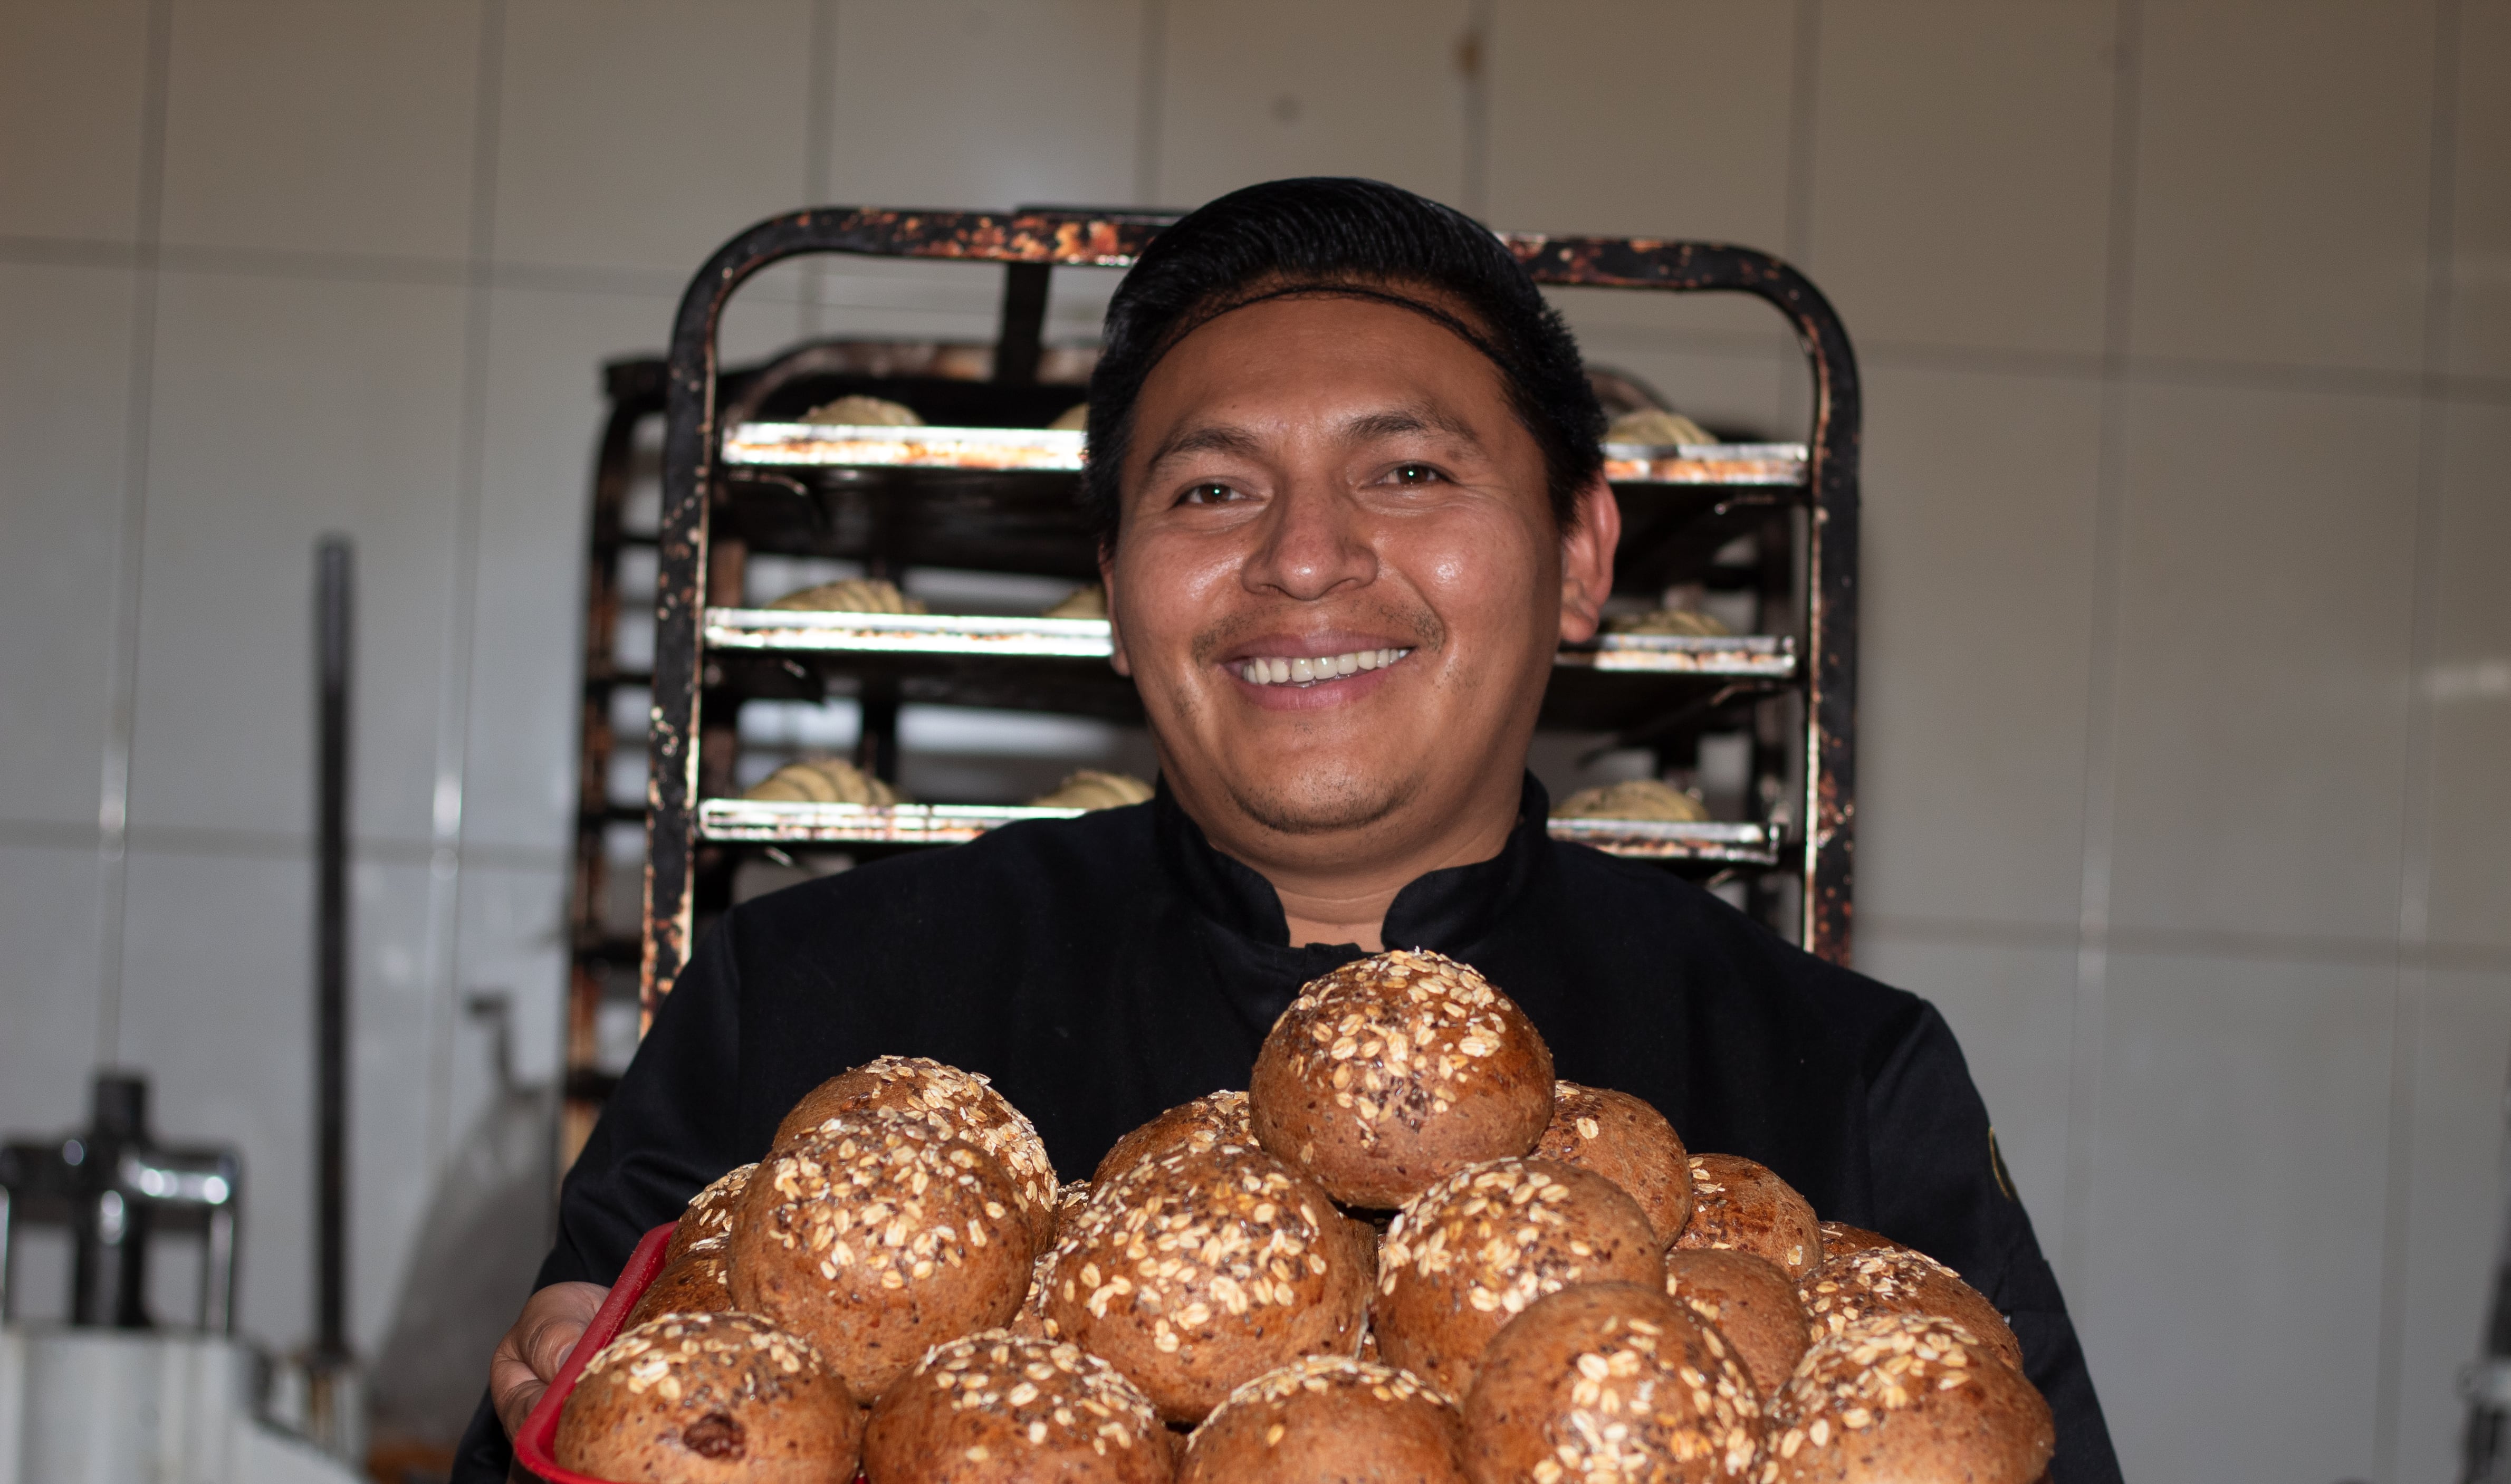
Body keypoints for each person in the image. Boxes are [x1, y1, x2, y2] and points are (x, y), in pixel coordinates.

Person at [452, 176, 2122, 1482]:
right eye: (1210, 490)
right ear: (1116, 594)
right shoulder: (807, 1005)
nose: (1306, 558)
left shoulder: (1833, 1080)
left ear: (1583, 557)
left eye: (1407, 474)